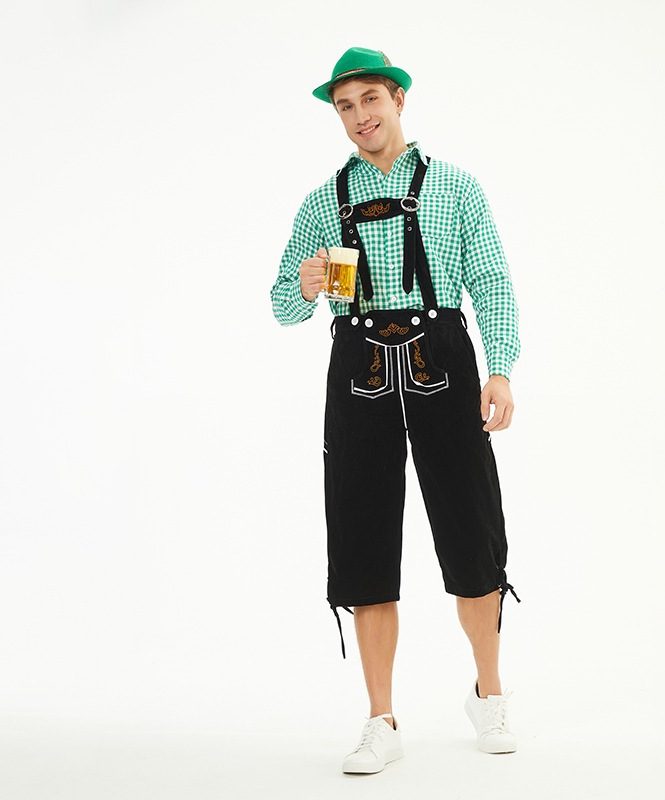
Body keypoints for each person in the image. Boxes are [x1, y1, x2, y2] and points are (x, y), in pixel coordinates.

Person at [271, 47, 522, 774]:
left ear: (399, 99)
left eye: (370, 99)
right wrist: (305, 284)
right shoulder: (321, 203)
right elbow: (283, 306)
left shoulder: (455, 186)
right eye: (345, 106)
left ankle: (490, 691)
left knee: (470, 526)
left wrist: (500, 369)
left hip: (442, 357)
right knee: (363, 537)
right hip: (358, 370)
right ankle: (381, 719)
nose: (360, 117)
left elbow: (492, 281)